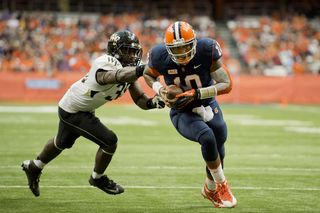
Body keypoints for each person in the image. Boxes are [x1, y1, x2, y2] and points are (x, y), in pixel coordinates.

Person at [21, 30, 165, 197]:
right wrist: (141, 70)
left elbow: (140, 99)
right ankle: (98, 177)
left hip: (81, 107)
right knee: (109, 141)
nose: (132, 55)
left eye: (134, 51)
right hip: (73, 109)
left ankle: (34, 166)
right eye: (127, 50)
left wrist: (153, 102)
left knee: (61, 142)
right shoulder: (105, 61)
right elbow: (112, 77)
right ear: (115, 50)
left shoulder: (129, 71)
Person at [143, 21, 237, 208]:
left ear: (194, 43)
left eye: (186, 46)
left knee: (219, 140)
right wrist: (159, 88)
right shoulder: (158, 56)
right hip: (181, 110)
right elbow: (148, 74)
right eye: (176, 49)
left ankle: (209, 189)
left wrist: (196, 94)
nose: (182, 52)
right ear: (168, 49)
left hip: (207, 103)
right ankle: (222, 185)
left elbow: (226, 84)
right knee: (207, 137)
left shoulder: (207, 49)